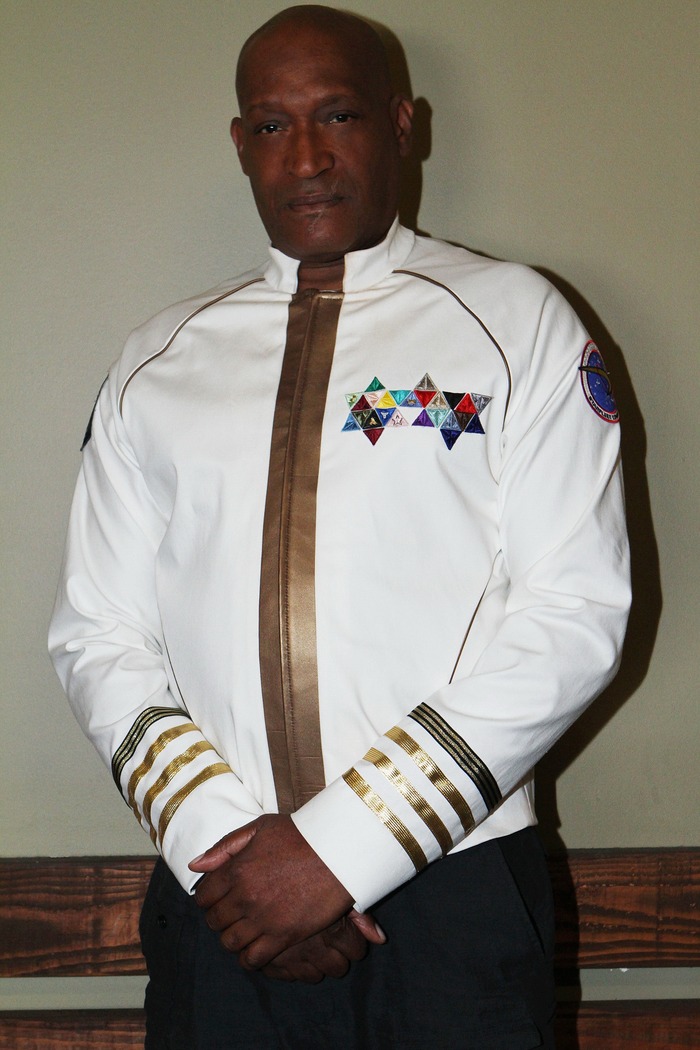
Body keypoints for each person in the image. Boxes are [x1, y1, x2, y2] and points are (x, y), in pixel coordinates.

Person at [49, 5, 631, 1047]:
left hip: (452, 891)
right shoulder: (159, 359)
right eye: (273, 125)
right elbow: (98, 632)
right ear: (240, 144)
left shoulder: (518, 321)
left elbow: (575, 611)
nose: (307, 156)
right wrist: (227, 846)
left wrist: (342, 849)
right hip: (220, 896)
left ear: (402, 125)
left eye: (340, 115)